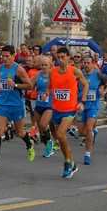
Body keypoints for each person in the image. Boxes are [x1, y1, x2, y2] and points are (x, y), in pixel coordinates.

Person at [0, 45, 35, 171]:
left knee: (19, 132)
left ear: (13, 56)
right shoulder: (1, 68)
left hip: (16, 105)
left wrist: (16, 85)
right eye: (3, 56)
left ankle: (29, 144)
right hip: (3, 105)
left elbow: (29, 86)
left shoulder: (19, 69)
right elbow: (2, 83)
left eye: (7, 56)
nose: (5, 59)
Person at [44, 47, 88, 178]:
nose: (61, 60)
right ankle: (72, 163)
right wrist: (46, 93)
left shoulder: (75, 71)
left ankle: (67, 162)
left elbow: (85, 85)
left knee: (60, 134)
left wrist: (82, 102)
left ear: (69, 57)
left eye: (63, 57)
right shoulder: (53, 72)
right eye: (59, 58)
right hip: (57, 109)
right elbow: (50, 86)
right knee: (61, 138)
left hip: (70, 109)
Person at [79, 55, 107, 165]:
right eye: (85, 63)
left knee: (88, 128)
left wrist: (104, 92)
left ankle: (87, 155)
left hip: (93, 106)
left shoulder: (97, 75)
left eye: (88, 63)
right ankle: (93, 132)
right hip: (82, 106)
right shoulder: (79, 75)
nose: (86, 65)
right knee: (81, 132)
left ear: (93, 63)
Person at [30, 55, 55, 157]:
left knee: (43, 125)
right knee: (41, 128)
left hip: (50, 104)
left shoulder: (54, 75)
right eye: (42, 65)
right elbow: (30, 84)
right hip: (39, 104)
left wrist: (48, 94)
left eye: (46, 65)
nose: (44, 67)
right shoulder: (37, 75)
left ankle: (50, 143)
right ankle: (48, 145)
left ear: (50, 65)